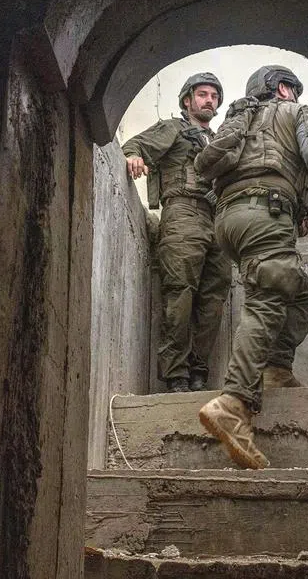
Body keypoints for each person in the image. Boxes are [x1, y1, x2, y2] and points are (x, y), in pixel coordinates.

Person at [193, 65, 308, 469]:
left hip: (228, 220)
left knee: (297, 293)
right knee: (267, 299)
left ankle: (276, 371)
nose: (296, 96)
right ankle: (233, 403)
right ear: (283, 88)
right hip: (265, 211)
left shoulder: (241, 122)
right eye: (293, 90)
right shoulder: (295, 112)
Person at [121, 72, 233, 393]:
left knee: (213, 297)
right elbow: (135, 145)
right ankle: (176, 374)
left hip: (218, 219)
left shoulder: (219, 139)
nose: (209, 100)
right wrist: (134, 157)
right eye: (202, 94)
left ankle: (199, 371)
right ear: (187, 100)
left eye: (214, 96)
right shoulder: (174, 128)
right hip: (183, 211)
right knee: (180, 291)